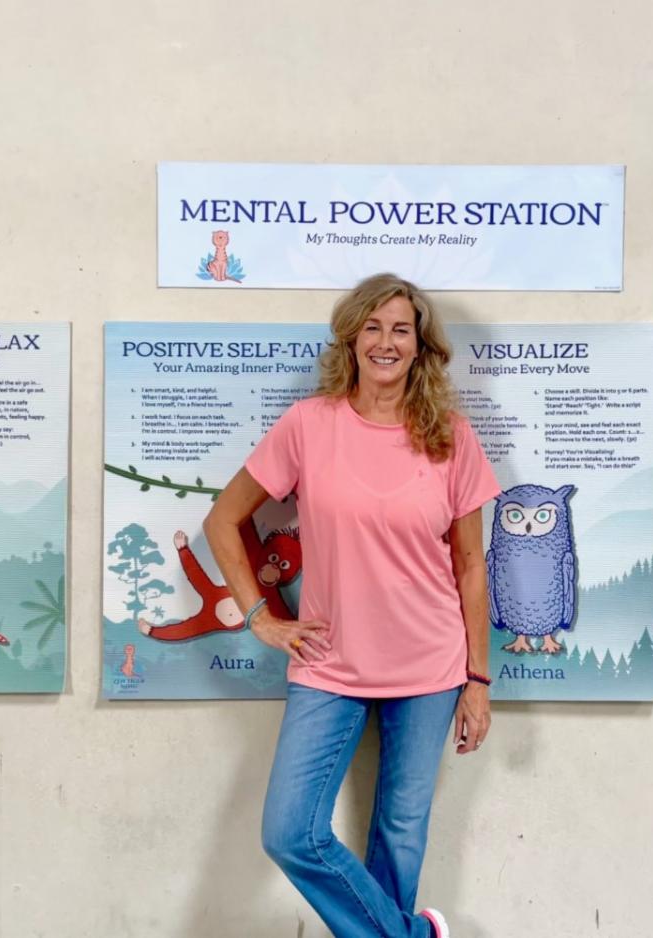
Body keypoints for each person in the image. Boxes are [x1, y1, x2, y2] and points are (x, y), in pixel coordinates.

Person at [203, 273, 500, 938]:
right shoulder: (309, 425)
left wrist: (478, 680)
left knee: (399, 834)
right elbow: (223, 520)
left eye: (401, 330)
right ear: (351, 337)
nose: (385, 342)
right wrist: (258, 616)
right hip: (329, 662)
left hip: (429, 665)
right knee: (289, 831)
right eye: (373, 327)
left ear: (420, 346)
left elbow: (470, 566)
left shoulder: (451, 437)